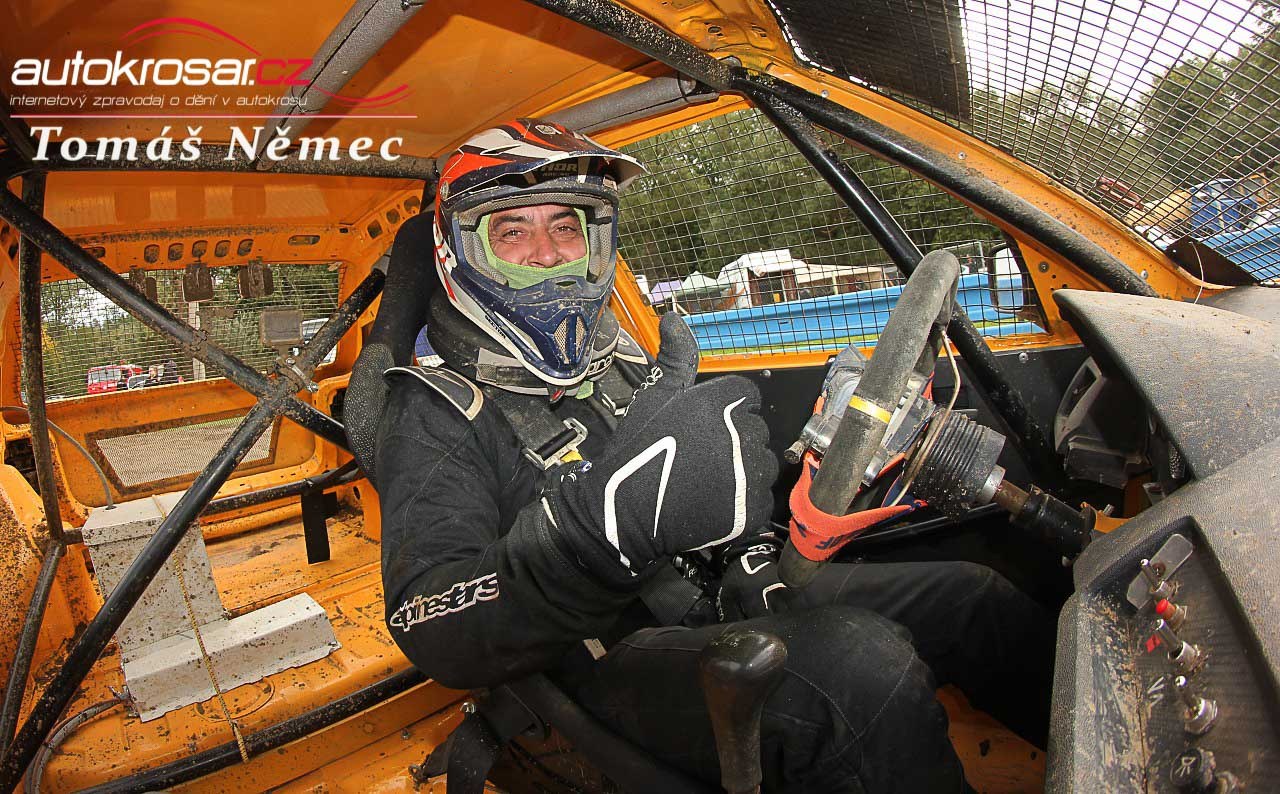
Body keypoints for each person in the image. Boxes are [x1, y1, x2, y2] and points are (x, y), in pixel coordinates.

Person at [370, 119, 1051, 792]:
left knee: (973, 597)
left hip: (713, 592)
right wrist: (591, 535)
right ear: (462, 250)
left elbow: (700, 486)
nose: (548, 254)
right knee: (861, 671)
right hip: (597, 653)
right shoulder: (434, 410)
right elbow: (429, 621)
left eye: (567, 227)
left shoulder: (618, 358)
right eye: (513, 232)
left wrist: (756, 543)